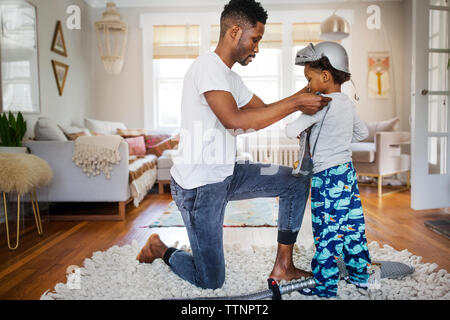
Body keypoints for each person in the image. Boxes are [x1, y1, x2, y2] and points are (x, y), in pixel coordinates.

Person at [136, 0, 331, 290]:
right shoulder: (207, 67)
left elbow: (263, 109)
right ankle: (159, 248)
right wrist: (296, 103)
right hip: (199, 188)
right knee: (211, 280)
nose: (257, 48)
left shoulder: (231, 78)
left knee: (295, 181)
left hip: (228, 173)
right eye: (255, 39)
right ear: (235, 31)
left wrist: (309, 88)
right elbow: (235, 121)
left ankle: (283, 266)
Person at [285, 41, 372, 298]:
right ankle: (360, 277)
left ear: (325, 76)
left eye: (309, 79)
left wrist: (302, 107)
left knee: (327, 231)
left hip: (327, 178)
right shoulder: (347, 103)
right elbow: (363, 132)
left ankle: (325, 287)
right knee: (353, 227)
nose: (308, 86)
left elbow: (290, 130)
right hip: (347, 174)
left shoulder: (320, 104)